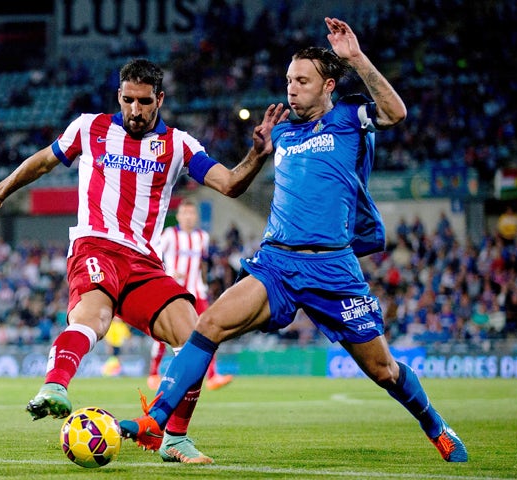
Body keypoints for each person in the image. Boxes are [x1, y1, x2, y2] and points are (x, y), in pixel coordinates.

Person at [120, 17, 468, 463]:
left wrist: (356, 58)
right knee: (208, 326)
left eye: (302, 80)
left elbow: (396, 113)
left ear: (327, 86)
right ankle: (157, 423)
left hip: (334, 268)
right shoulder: (282, 132)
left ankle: (435, 426)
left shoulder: (349, 117)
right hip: (277, 265)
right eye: (288, 80)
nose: (291, 88)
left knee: (384, 370)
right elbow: (244, 175)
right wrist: (257, 151)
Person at [0, 58, 288, 464]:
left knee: (195, 337)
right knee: (94, 319)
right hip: (95, 246)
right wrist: (1, 189)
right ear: (119, 95)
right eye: (127, 100)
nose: (135, 110)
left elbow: (229, 184)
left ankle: (174, 439)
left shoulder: (179, 145)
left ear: (160, 99)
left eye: (144, 101)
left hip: (144, 263)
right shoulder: (89, 127)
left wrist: (257, 155)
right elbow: (44, 161)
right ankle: (54, 386)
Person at [147, 198, 233, 391]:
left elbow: (202, 264)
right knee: (163, 331)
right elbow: (153, 255)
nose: (188, 217)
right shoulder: (169, 235)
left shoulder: (202, 237)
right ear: (178, 216)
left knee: (210, 328)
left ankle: (213, 375)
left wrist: (203, 282)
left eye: (192, 213)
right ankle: (153, 373)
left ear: (196, 216)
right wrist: (169, 272)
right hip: (172, 290)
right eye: (185, 213)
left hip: (196, 291)